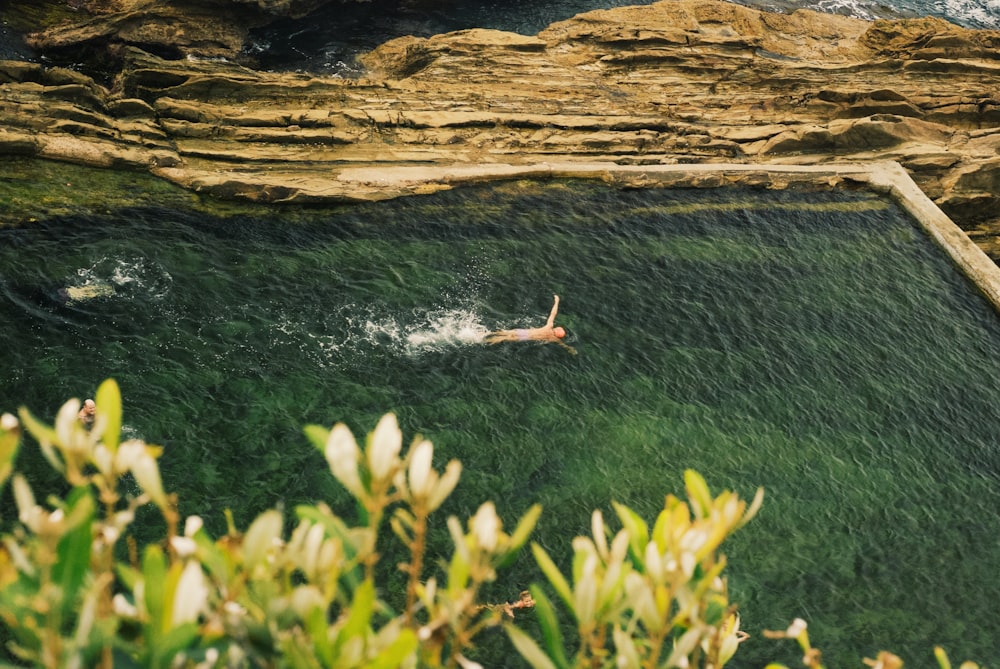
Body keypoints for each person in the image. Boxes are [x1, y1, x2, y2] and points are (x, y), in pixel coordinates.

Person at [486, 294, 576, 354]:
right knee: (504, 338)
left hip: (524, 332)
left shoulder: (549, 327)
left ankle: (487, 333)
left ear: (556, 329)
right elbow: (563, 345)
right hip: (525, 338)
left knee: (504, 332)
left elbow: (553, 313)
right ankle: (485, 341)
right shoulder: (553, 338)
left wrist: (557, 301)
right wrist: (570, 349)